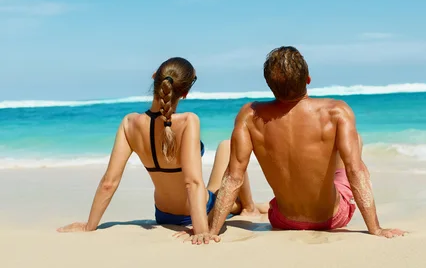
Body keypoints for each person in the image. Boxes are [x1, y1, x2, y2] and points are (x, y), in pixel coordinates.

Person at [206, 46, 406, 242]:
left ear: (269, 84)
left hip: (282, 220)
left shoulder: (249, 115)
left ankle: (253, 207)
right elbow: (355, 171)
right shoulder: (336, 111)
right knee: (355, 143)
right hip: (332, 218)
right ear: (308, 79)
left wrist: (212, 231)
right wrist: (375, 229)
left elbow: (233, 177)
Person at [58, 57, 267, 244]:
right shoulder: (188, 121)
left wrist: (89, 226)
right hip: (200, 211)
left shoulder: (129, 123)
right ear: (184, 93)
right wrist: (201, 231)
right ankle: (248, 208)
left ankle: (250, 206)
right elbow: (192, 182)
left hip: (163, 214)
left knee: (224, 151)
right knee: (229, 147)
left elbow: (109, 182)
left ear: (154, 78)